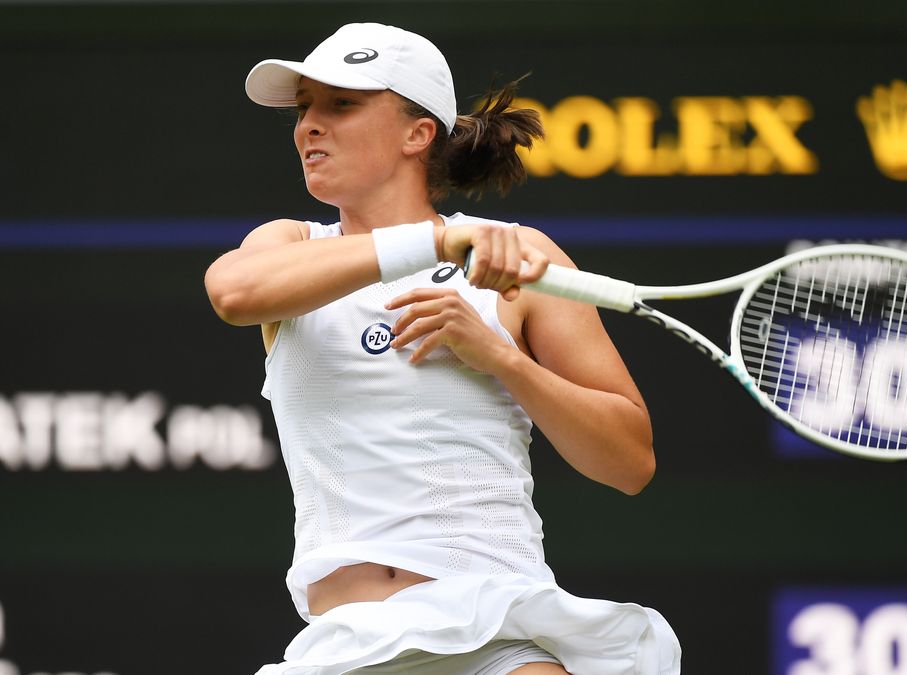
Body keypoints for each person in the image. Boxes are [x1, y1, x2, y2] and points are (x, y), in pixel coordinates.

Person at [204, 22, 681, 675]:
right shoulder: (286, 244)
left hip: (496, 633)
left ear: (417, 132)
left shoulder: (522, 258)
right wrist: (432, 244)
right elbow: (234, 293)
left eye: (340, 104)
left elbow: (630, 460)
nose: (308, 125)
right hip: (346, 642)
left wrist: (501, 359)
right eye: (303, 107)